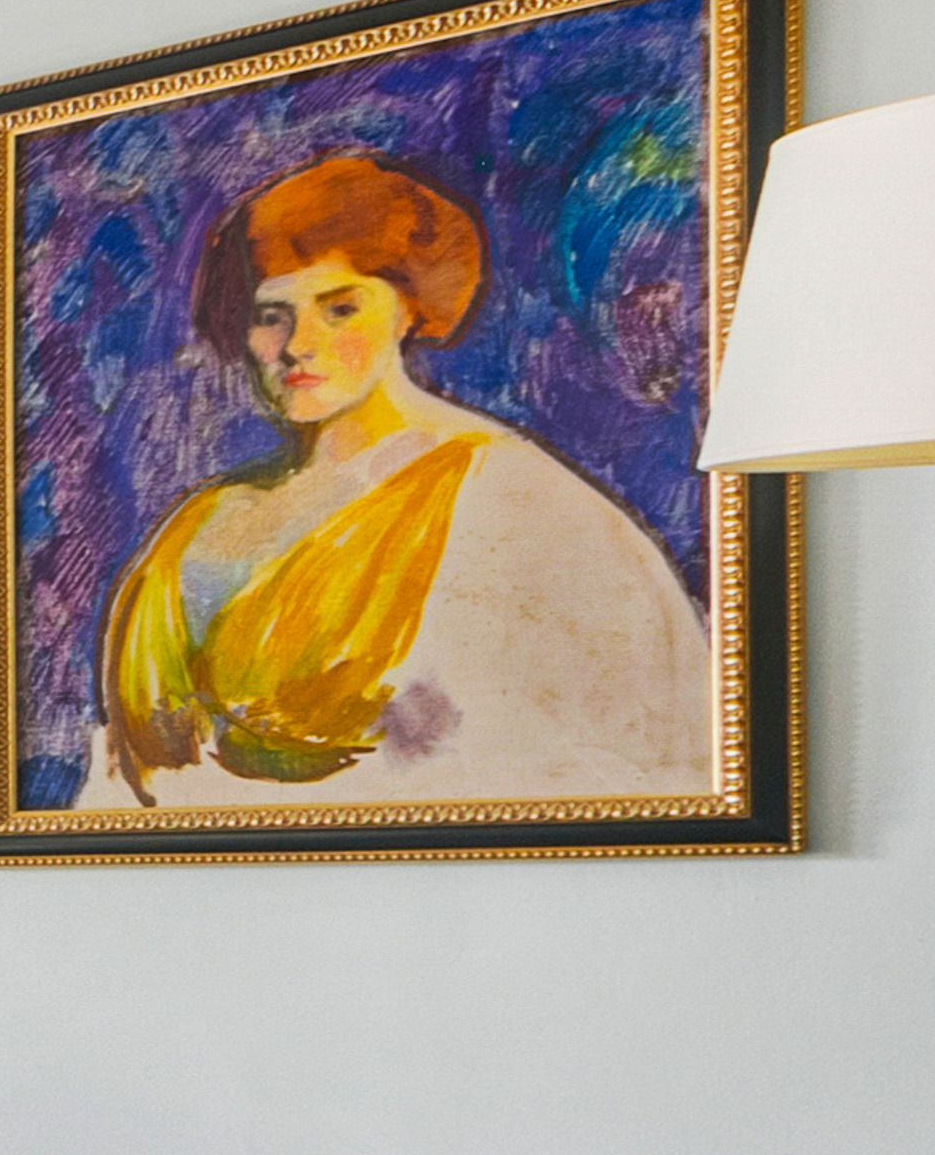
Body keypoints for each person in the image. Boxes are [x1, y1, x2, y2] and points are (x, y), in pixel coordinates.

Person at [94, 157, 707, 806]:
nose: (298, 343)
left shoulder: (511, 500)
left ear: (408, 311)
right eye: (271, 314)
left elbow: (611, 762)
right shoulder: (198, 523)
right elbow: (120, 778)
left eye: (339, 308)